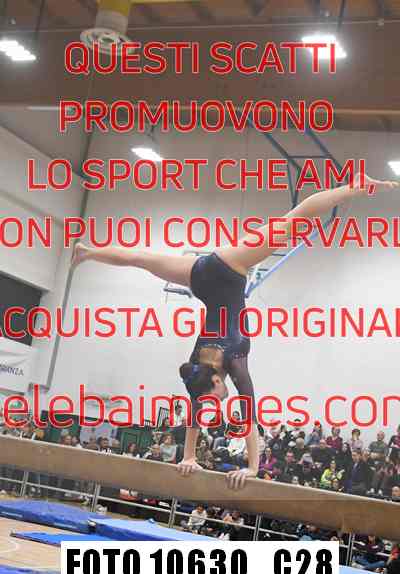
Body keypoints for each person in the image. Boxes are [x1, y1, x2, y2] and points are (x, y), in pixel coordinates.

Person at [72, 173, 397, 490]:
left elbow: (248, 413)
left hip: (229, 268)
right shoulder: (198, 370)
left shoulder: (234, 360)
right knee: (141, 258)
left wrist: (253, 467)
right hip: (201, 278)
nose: (216, 404)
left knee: (295, 219)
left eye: (213, 398)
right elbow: (199, 412)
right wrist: (188, 457)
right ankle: (86, 252)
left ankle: (355, 186)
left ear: (217, 381)